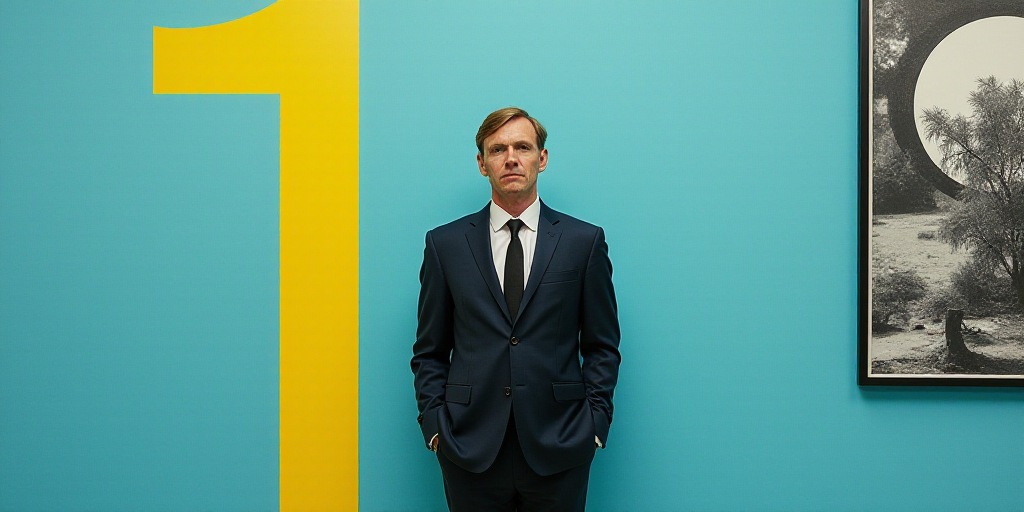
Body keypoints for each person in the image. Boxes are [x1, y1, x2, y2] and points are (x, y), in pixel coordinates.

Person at [411, 107, 621, 512]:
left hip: (560, 444)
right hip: (468, 448)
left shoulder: (584, 241)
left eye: (523, 147)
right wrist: (436, 428)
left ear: (541, 158)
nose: (511, 158)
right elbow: (430, 351)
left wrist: (594, 425)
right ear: (482, 163)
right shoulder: (445, 245)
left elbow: (602, 345)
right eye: (498, 149)